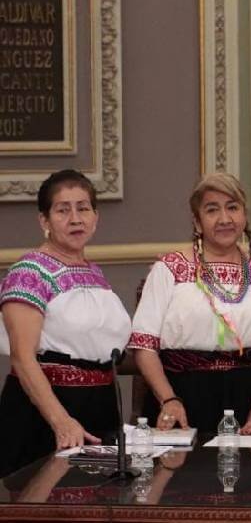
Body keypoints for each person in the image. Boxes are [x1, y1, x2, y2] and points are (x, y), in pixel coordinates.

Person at [128, 173, 251, 434]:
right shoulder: (169, 269)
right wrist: (169, 400)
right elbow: (143, 345)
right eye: (212, 209)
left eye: (233, 207)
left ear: (244, 216)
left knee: (248, 474)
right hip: (182, 397)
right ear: (197, 221)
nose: (225, 219)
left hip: (247, 400)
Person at [0, 170, 131, 476]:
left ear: (95, 217)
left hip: (100, 407)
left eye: (83, 208)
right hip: (45, 414)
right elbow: (22, 357)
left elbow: (106, 349)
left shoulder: (95, 274)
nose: (75, 219)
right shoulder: (29, 272)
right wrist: (61, 421)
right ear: (44, 221)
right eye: (63, 210)